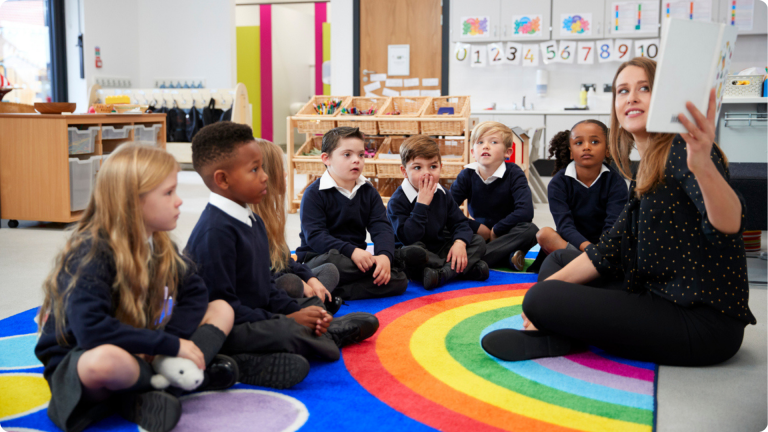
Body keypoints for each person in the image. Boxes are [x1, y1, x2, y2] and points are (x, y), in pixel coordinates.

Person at [482, 57, 756, 366]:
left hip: (701, 322)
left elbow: (730, 225)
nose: (632, 97)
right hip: (657, 293)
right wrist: (550, 291)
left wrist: (703, 166)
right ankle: (560, 332)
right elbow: (609, 250)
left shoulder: (685, 151)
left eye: (645, 88)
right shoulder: (649, 165)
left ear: (665, 97)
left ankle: (560, 331)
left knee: (540, 298)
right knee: (557, 263)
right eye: (623, 91)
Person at [35, 144, 237, 432]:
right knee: (105, 361)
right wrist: (168, 346)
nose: (179, 201)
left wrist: (170, 340)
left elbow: (194, 291)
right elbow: (92, 331)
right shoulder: (91, 253)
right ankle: (174, 381)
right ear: (132, 202)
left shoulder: (159, 243)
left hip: (143, 345)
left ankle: (166, 375)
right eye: (168, 193)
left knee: (221, 309)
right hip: (83, 356)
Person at [186, 122, 379, 389]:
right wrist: (287, 320)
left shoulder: (253, 222)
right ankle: (237, 362)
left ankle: (313, 334)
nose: (265, 176)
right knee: (288, 331)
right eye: (255, 170)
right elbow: (225, 309)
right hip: (231, 326)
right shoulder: (214, 232)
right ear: (222, 180)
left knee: (305, 316)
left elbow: (265, 286)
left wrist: (295, 311)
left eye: (263, 168)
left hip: (256, 312)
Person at [296, 126, 410, 300]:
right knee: (333, 265)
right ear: (326, 159)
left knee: (399, 280)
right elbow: (315, 236)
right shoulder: (314, 194)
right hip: (320, 258)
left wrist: (384, 256)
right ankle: (321, 283)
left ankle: (333, 291)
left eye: (361, 155)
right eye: (347, 154)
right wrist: (352, 251)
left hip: (356, 261)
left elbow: (381, 227)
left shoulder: (369, 192)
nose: (356, 160)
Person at [387, 135, 489, 290]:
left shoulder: (443, 194)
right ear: (404, 171)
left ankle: (442, 274)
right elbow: (408, 237)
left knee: (477, 241)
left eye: (433, 167)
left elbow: (460, 223)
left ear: (441, 167)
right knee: (415, 253)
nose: (426, 173)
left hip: (438, 247)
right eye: (417, 168)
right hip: (410, 249)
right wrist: (421, 203)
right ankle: (462, 269)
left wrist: (460, 243)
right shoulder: (397, 201)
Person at [249, 138, 340, 308]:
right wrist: (302, 283)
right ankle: (314, 308)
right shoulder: (250, 222)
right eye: (280, 168)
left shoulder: (271, 216)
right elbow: (261, 275)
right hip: (265, 288)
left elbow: (285, 261)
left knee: (329, 270)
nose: (285, 173)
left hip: (281, 277)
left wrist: (310, 279)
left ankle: (311, 306)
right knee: (291, 283)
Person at [529, 120, 629, 272]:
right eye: (579, 143)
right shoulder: (558, 183)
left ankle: (587, 268)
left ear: (608, 150)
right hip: (571, 246)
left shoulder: (616, 183)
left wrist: (600, 251)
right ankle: (591, 268)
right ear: (570, 151)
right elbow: (565, 227)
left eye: (594, 141)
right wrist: (589, 251)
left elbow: (613, 227)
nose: (586, 147)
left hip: (605, 248)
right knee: (544, 234)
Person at [450, 121, 538, 271]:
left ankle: (473, 261)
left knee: (530, 230)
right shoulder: (467, 175)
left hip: (507, 232)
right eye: (480, 142)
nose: (485, 146)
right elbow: (447, 209)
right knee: (446, 227)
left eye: (494, 142)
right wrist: (476, 227)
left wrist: (496, 230)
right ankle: (506, 257)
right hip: (479, 233)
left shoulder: (514, 173)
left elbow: (525, 212)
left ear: (507, 152)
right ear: (472, 152)